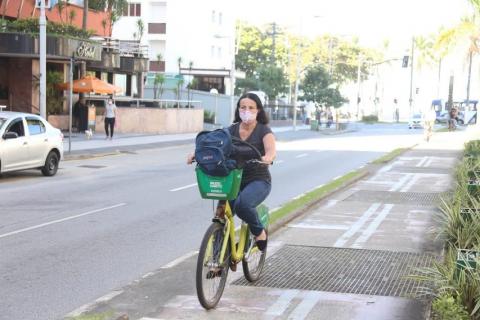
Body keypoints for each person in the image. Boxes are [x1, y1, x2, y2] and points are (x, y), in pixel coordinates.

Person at [187, 92, 276, 252]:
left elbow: (271, 151)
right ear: (238, 110)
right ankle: (217, 259)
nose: (246, 111)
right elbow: (212, 144)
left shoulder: (264, 131)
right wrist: (196, 153)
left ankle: (259, 232)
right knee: (221, 214)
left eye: (251, 107)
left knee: (243, 205)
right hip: (233, 180)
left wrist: (267, 157)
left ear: (258, 111)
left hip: (258, 180)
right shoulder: (230, 130)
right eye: (243, 107)